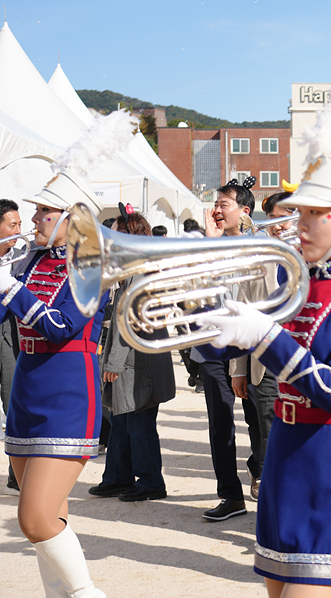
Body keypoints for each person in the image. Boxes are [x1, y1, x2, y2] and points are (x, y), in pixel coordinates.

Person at [198, 58, 331, 594]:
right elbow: (247, 344)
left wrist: (261, 335)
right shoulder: (292, 281)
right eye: (300, 212)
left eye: (316, 213)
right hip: (286, 455)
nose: (300, 222)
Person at [3, 111, 135, 598]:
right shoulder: (30, 259)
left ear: (69, 218)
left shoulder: (91, 265)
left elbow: (59, 327)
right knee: (47, 522)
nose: (32, 217)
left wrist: (9, 289)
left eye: (42, 211)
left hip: (66, 397)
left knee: (34, 518)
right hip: (26, 392)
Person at [194, 177, 275, 520]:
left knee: (262, 421)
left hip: (252, 347)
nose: (216, 211)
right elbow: (195, 297)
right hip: (215, 347)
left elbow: (267, 299)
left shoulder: (261, 246)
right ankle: (231, 496)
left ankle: (263, 475)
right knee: (220, 426)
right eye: (215, 205)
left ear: (244, 211)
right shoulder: (207, 246)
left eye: (223, 205)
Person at [88, 211, 175, 503]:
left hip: (137, 362)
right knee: (122, 423)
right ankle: (117, 477)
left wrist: (112, 363)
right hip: (134, 360)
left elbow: (129, 323)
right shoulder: (135, 269)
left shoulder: (140, 272)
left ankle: (150, 481)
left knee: (138, 424)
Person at [0, 198, 22, 494]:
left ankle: (18, 473)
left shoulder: (22, 258)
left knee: (14, 405)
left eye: (19, 224)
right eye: (13, 224)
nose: (19, 229)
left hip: (9, 335)